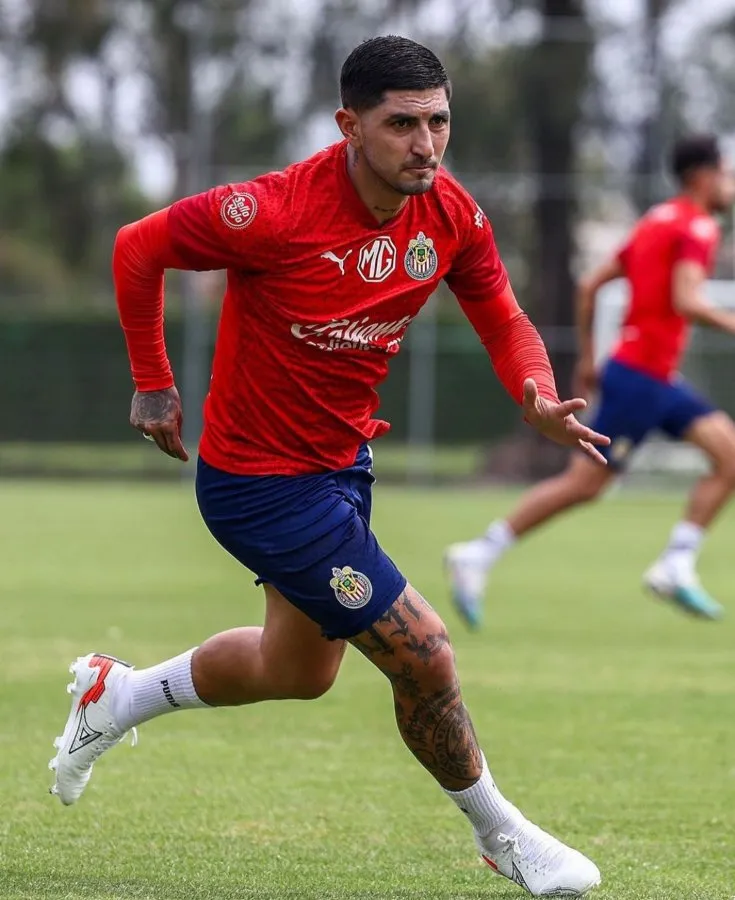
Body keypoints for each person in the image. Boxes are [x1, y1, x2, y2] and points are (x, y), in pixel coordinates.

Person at [48, 36, 607, 897]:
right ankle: (504, 835)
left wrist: (535, 391)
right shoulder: (267, 211)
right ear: (349, 125)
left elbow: (502, 315)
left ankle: (116, 697)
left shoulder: (449, 214)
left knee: (297, 672)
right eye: (401, 125)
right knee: (421, 652)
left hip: (341, 467)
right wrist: (154, 383)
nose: (425, 144)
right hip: (257, 485)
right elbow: (135, 247)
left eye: (439, 121)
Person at [446, 134, 735, 629]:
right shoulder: (698, 227)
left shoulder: (655, 222)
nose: (731, 185)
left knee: (728, 456)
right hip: (641, 379)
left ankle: (676, 563)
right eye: (727, 174)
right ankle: (479, 553)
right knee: (585, 484)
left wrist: (586, 359)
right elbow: (687, 300)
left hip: (650, 376)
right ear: (703, 176)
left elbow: (590, 285)